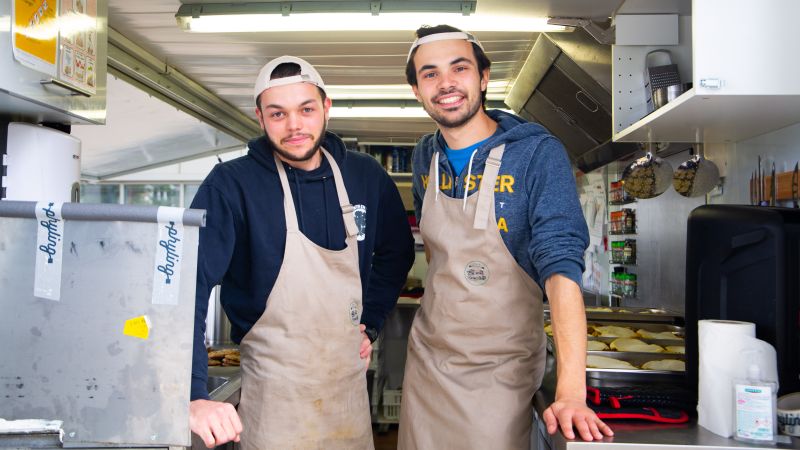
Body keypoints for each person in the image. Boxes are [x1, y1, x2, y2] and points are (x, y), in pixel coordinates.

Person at [397, 26, 614, 449]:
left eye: (459, 68)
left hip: (501, 373)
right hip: (428, 365)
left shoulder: (536, 153)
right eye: (430, 73)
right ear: (416, 88)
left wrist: (571, 393)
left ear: (483, 76)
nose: (446, 84)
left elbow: (561, 268)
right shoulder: (426, 155)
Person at [188, 55, 415, 449]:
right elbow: (187, 286)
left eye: (306, 110)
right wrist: (192, 394)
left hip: (347, 403)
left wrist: (372, 320)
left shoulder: (364, 176)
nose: (294, 126)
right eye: (278, 114)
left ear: (325, 108)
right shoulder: (231, 185)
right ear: (260, 117)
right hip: (275, 403)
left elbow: (397, 252)